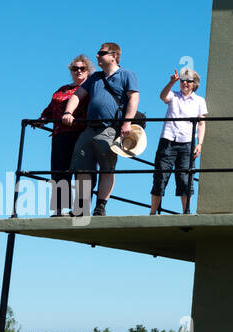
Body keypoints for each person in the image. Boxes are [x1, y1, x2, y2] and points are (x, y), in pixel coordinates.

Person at [61, 42, 139, 217]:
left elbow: (134, 99)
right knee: (81, 168)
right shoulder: (95, 77)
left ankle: (100, 207)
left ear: (114, 56)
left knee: (107, 168)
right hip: (90, 128)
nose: (97, 56)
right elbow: (77, 95)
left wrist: (127, 123)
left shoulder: (127, 74)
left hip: (110, 128)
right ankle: (81, 209)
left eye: (101, 53)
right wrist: (68, 112)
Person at [32, 55, 92, 216]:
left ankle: (81, 208)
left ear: (88, 71)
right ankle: (59, 210)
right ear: (71, 71)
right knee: (59, 172)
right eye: (75, 68)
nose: (78, 71)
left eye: (82, 68)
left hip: (82, 134)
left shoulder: (92, 88)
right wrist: (42, 120)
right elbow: (49, 110)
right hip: (61, 135)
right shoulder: (61, 90)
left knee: (83, 171)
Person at [151, 69, 207, 215]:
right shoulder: (173, 96)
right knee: (160, 176)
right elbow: (162, 96)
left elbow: (201, 123)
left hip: (187, 143)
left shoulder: (199, 101)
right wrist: (171, 82)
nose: (185, 83)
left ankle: (185, 212)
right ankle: (152, 212)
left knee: (185, 178)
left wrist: (199, 143)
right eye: (183, 80)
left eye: (188, 81)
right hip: (168, 140)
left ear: (194, 84)